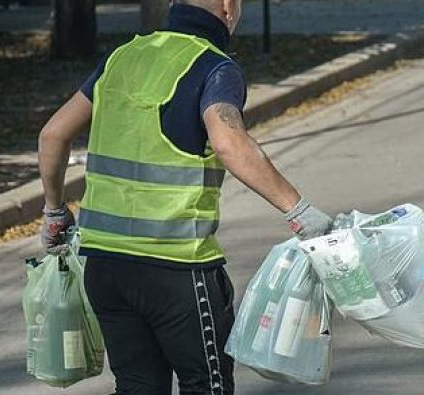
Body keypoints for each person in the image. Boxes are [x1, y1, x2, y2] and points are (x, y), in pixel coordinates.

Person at [37, 1, 333, 393]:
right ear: (228, 7)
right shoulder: (215, 67)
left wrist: (54, 211)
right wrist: (298, 209)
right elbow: (229, 143)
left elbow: (53, 133)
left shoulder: (122, 58)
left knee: (137, 386)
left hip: (107, 268)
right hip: (177, 270)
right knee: (205, 386)